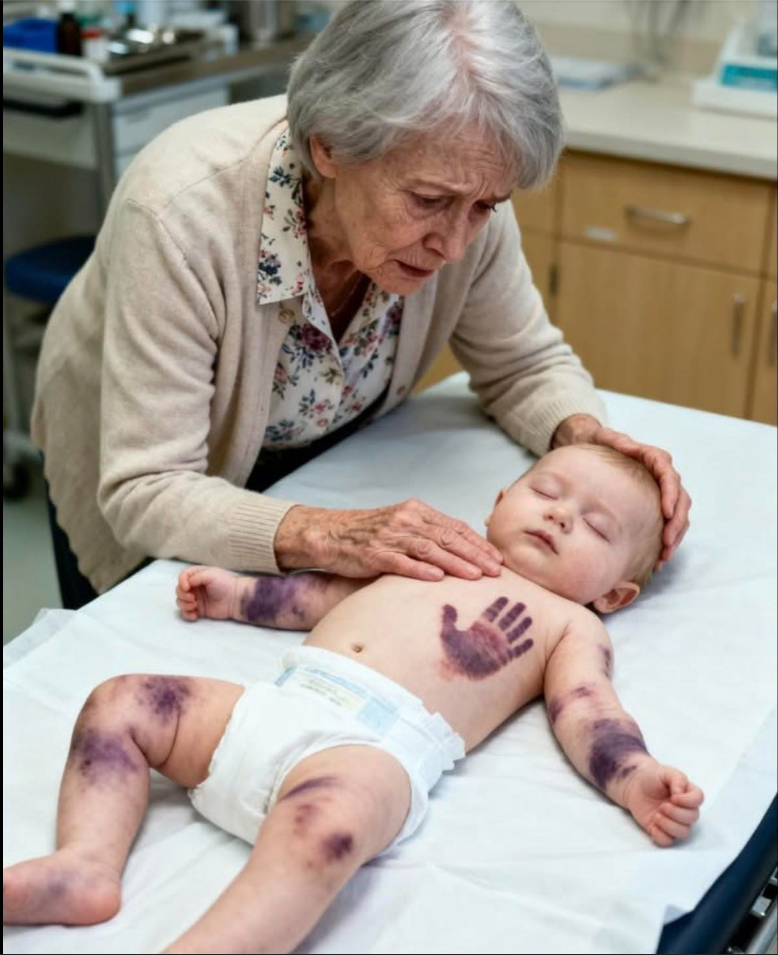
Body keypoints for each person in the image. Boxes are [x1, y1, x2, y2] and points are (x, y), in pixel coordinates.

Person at [31, 0, 690, 612]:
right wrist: (332, 534)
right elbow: (147, 489)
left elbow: (524, 365)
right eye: (428, 202)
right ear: (330, 147)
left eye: (486, 206)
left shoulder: (466, 195)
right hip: (144, 472)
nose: (456, 245)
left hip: (311, 464)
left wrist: (587, 445)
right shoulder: (179, 213)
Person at [3, 444, 704, 954]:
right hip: (271, 704)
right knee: (122, 700)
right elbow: (322, 595)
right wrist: (234, 593)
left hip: (371, 751)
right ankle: (86, 862)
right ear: (496, 503)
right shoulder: (443, 549)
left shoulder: (568, 621)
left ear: (614, 594)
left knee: (323, 831)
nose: (559, 517)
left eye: (596, 526)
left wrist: (637, 776)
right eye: (547, 491)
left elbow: (587, 707)